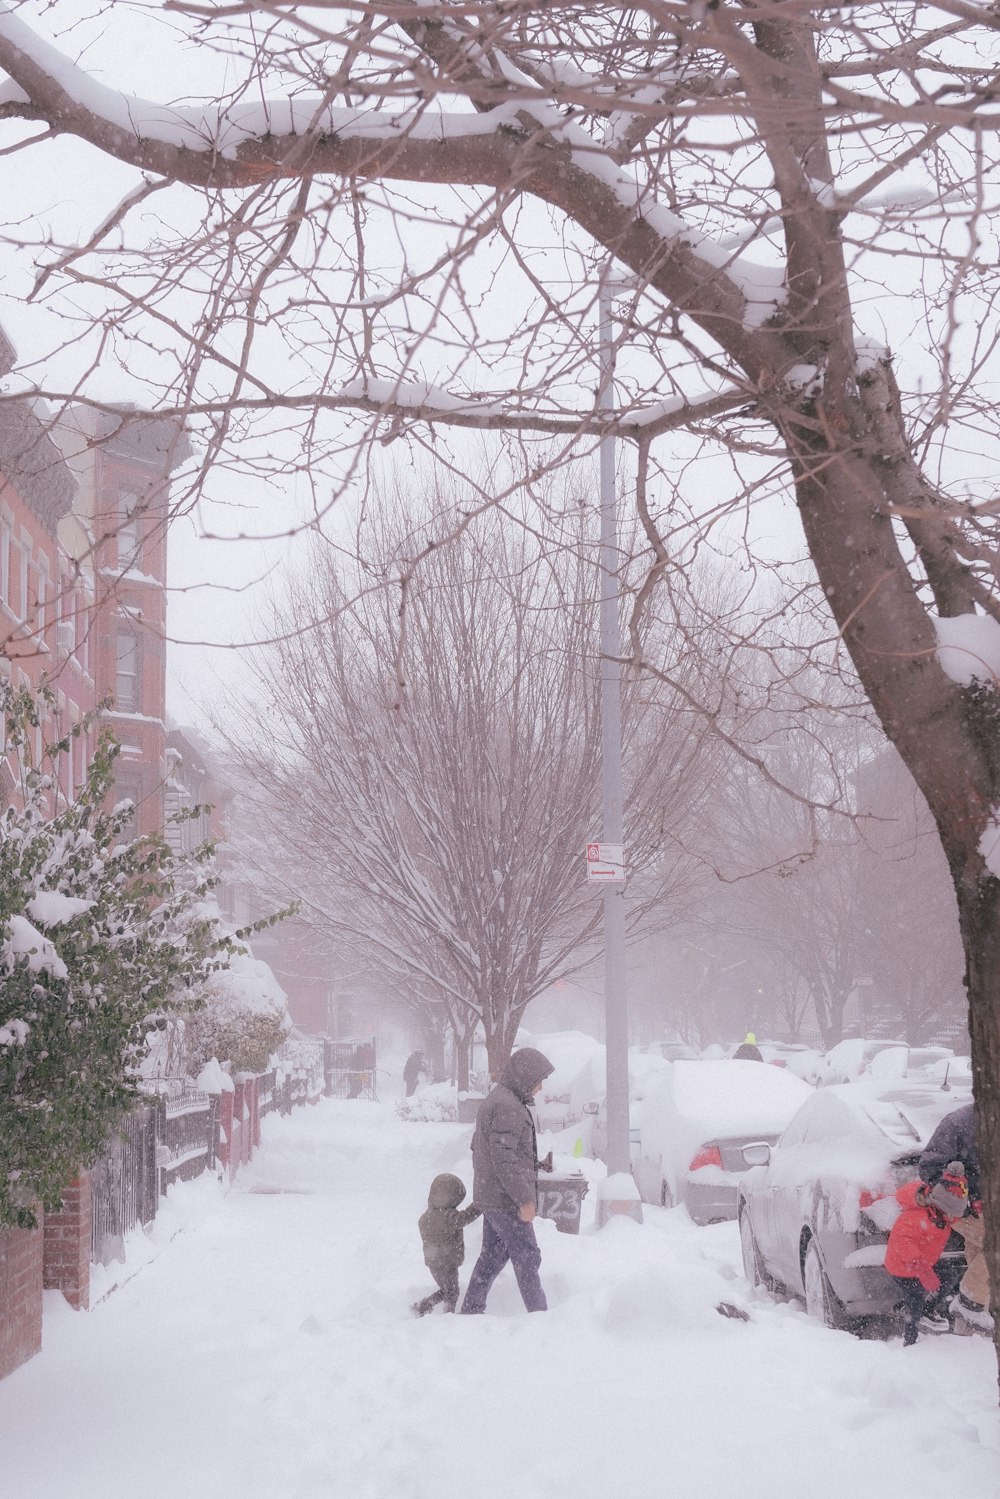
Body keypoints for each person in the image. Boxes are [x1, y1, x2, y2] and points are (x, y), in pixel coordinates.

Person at [460, 1046, 554, 1315]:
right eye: (538, 1081)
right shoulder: (508, 1106)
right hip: (505, 1200)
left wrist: (530, 1164)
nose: (539, 1088)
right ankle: (540, 1317)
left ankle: (470, 1311)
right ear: (525, 1076)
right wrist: (524, 1198)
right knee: (527, 1256)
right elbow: (503, 1159)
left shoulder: (499, 1100)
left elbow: (488, 1149)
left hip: (493, 1196)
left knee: (493, 1256)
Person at [919, 1101, 990, 1331]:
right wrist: (965, 1199)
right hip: (969, 1210)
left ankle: (966, 1334)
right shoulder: (959, 1122)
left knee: (980, 1258)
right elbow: (930, 1167)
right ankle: (969, 1303)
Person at [885, 1161, 969, 1346]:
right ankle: (910, 1340)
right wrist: (919, 1264)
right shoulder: (916, 1217)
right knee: (915, 1297)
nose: (951, 1219)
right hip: (903, 1266)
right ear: (938, 1205)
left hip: (926, 1261)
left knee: (949, 1276)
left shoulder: (943, 1214)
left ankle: (928, 1309)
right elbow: (903, 1240)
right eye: (949, 1214)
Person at [411, 1173, 481, 1316]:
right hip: (447, 1263)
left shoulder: (425, 1218)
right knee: (452, 1293)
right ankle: (447, 1318)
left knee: (447, 1289)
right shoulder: (448, 1217)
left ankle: (423, 1306)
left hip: (433, 1264)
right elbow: (465, 1217)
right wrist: (479, 1205)